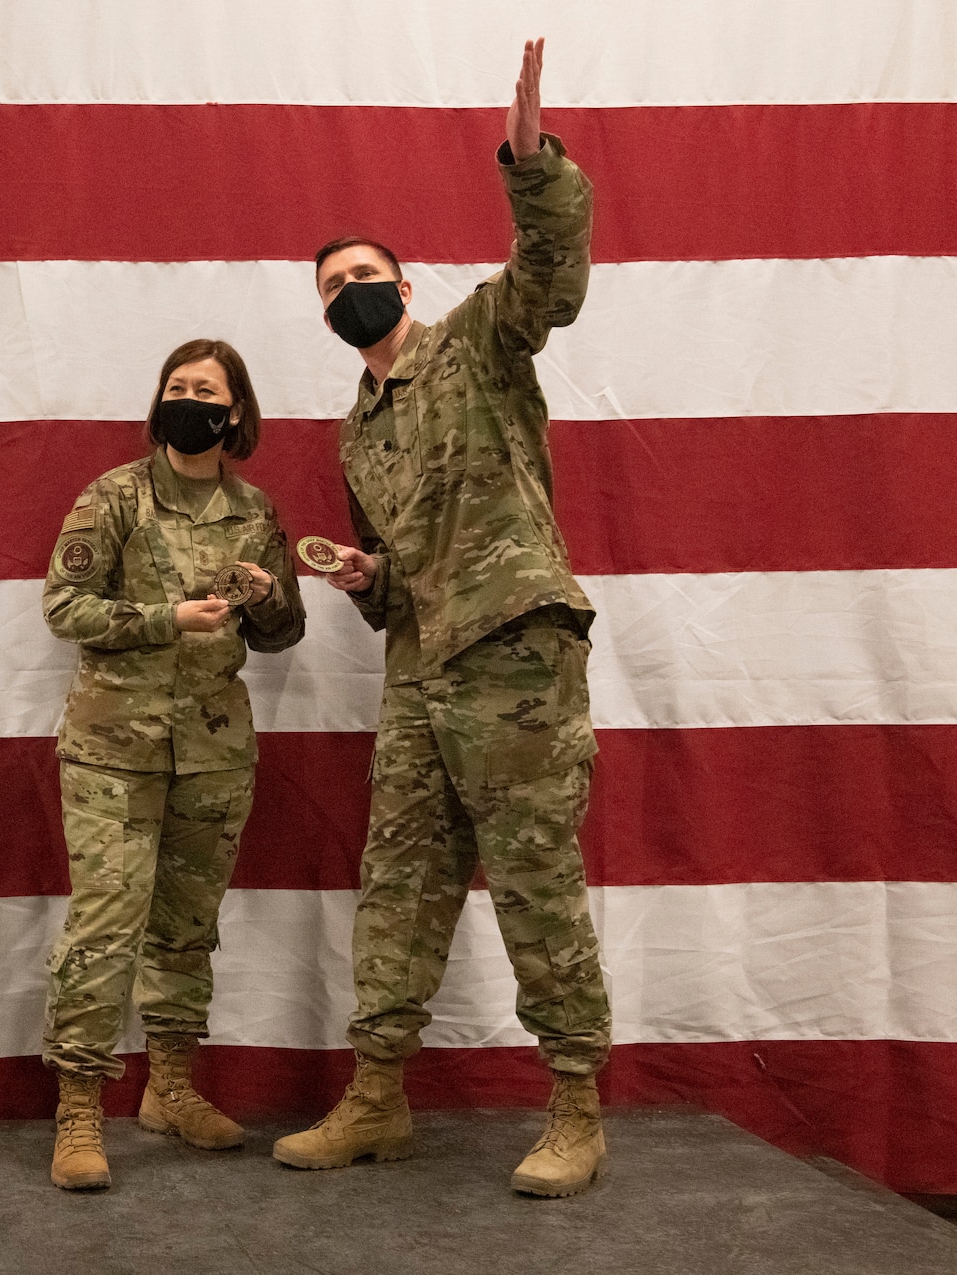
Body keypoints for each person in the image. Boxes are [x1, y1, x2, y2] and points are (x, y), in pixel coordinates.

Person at [271, 39, 612, 1198]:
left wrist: (530, 166)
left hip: (513, 645)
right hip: (420, 671)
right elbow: (403, 578)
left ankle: (574, 1105)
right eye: (328, 286)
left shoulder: (472, 343)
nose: (346, 291)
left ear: (404, 286)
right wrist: (370, 586)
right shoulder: (354, 433)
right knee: (398, 880)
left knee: (530, 878)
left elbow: (550, 277)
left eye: (361, 274)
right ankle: (376, 1100)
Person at [39, 338, 308, 1189]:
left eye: (206, 390)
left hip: (215, 754)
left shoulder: (255, 509)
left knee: (187, 929)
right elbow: (64, 605)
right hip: (114, 750)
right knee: (106, 924)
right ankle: (80, 1106)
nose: (188, 398)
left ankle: (172, 1085)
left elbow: (282, 632)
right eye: (176, 386)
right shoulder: (114, 496)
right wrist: (165, 619)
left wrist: (267, 597)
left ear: (234, 414)